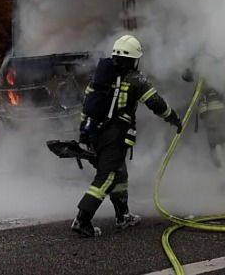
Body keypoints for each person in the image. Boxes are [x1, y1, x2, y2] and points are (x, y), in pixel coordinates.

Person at [71, 34, 182, 237]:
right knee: (108, 176)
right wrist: (173, 118)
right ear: (133, 59)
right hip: (114, 135)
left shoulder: (100, 77)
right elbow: (155, 102)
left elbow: (86, 107)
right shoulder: (135, 79)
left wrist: (83, 135)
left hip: (94, 133)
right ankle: (82, 219)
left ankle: (123, 216)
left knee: (120, 174)